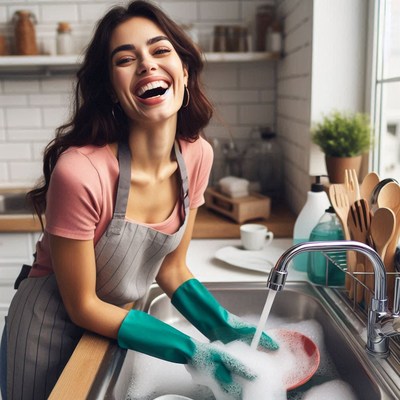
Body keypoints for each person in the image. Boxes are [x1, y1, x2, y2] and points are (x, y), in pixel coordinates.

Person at [0, 1, 278, 399]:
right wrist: (190, 349)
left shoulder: (198, 155)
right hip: (50, 329)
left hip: (116, 323)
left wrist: (223, 327)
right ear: (112, 89)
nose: (147, 64)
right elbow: (82, 305)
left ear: (183, 70)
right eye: (126, 59)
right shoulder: (80, 172)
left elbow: (173, 269)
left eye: (160, 50)